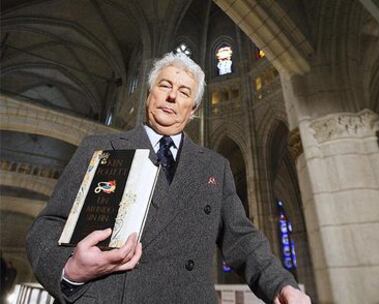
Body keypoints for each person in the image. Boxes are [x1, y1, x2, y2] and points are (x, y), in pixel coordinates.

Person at [26, 52, 311, 304]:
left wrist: (280, 285)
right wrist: (70, 270)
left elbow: (242, 239)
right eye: (165, 86)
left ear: (193, 111)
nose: (172, 96)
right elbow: (47, 226)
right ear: (149, 95)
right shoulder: (99, 149)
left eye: (184, 92)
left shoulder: (214, 167)